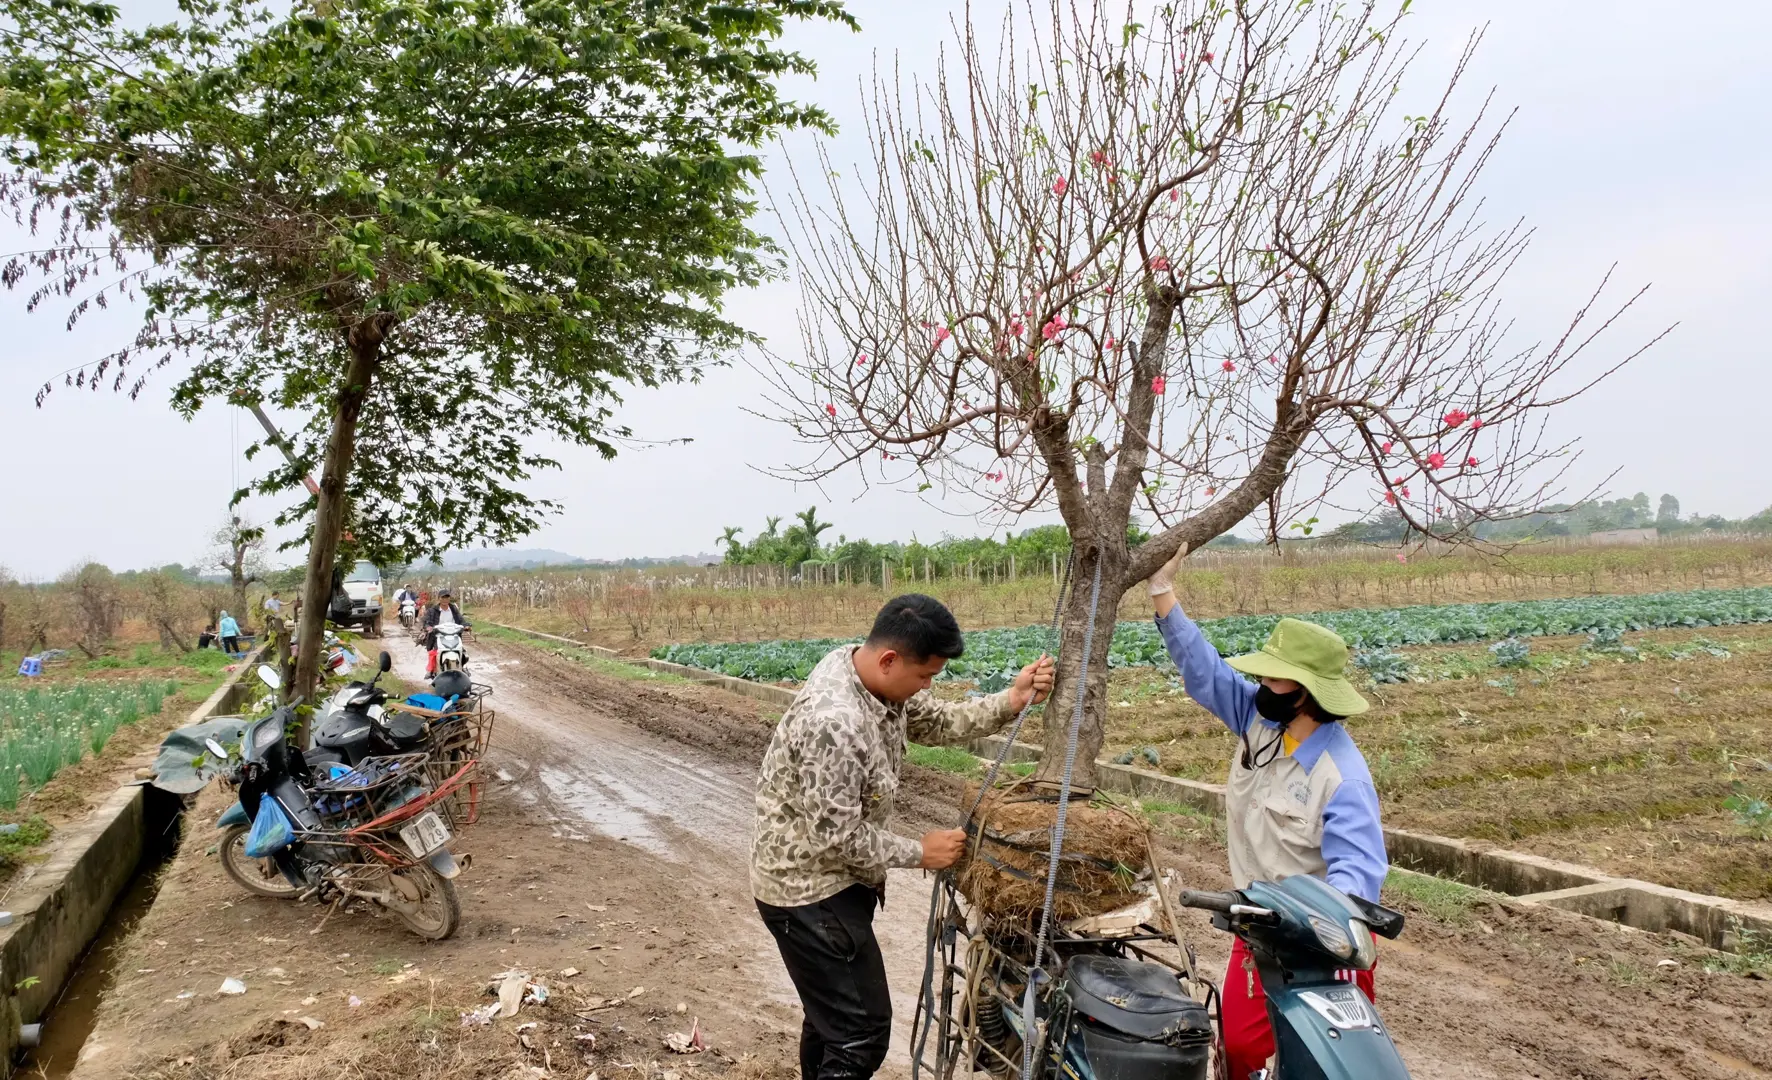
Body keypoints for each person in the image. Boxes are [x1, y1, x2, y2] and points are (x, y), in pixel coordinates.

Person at [751, 593, 1055, 1080]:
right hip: (808, 894)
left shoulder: (873, 678)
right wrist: (920, 852)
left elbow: (938, 721)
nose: (926, 688)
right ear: (890, 659)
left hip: (836, 884)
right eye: (925, 676)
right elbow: (837, 837)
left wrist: (1013, 699)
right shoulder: (834, 721)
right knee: (860, 1035)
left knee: (831, 1022)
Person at [1146, 544, 1387, 1080]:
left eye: (1274, 678)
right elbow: (1204, 672)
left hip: (1317, 951)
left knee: (1314, 1067)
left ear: (1306, 693)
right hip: (1255, 933)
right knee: (1240, 1054)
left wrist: (1319, 934)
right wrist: (1163, 593)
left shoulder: (1341, 778)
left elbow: (1357, 880)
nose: (1261, 685)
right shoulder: (1261, 721)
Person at [423, 588, 469, 675]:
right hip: (438, 636)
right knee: (435, 652)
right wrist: (429, 627)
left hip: (453, 635)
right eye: (443, 597)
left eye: (447, 597)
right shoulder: (432, 610)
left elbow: (460, 619)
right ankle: (431, 670)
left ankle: (463, 667)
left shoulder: (454, 609)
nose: (445, 600)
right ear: (439, 598)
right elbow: (427, 622)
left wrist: (465, 625)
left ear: (449, 599)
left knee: (461, 651)